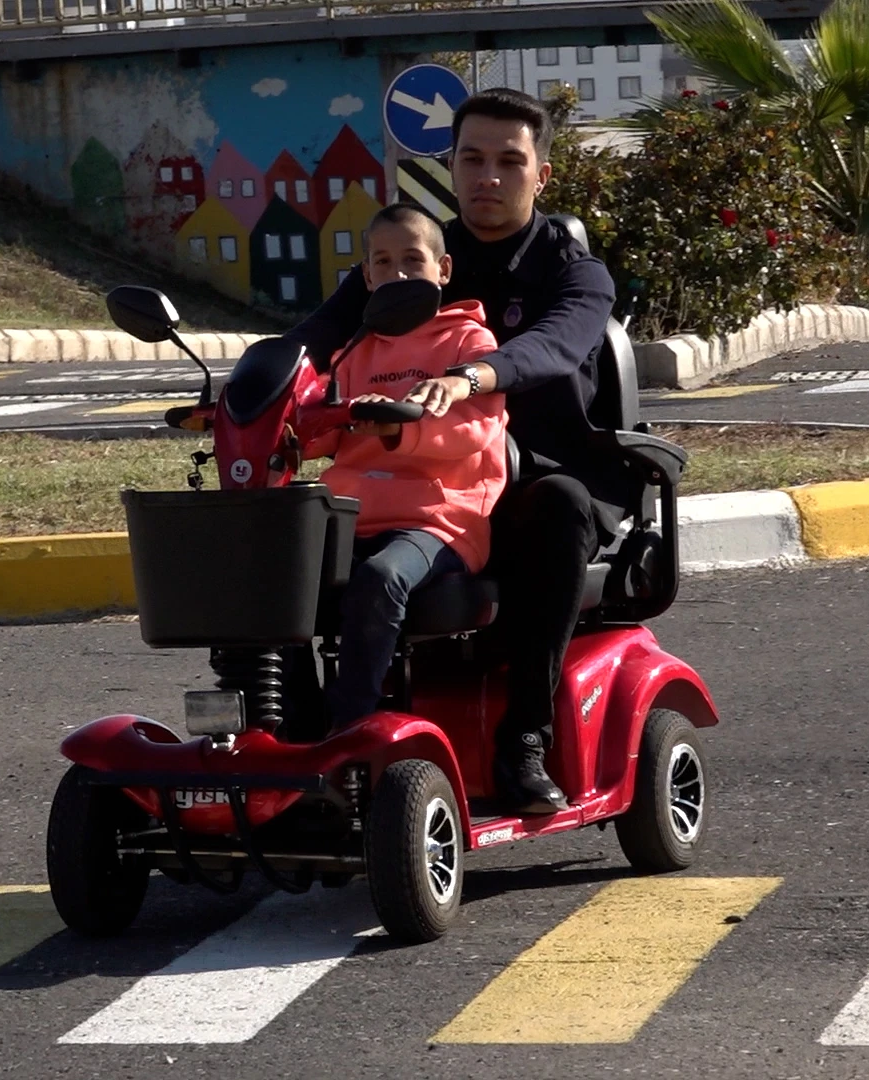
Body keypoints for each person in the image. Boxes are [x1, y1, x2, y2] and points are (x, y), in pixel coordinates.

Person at [282, 87, 619, 814]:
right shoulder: (418, 260)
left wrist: (469, 377)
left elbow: (553, 347)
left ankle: (524, 741)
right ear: (451, 165)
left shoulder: (573, 269)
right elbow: (317, 337)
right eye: (472, 158)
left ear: (540, 175)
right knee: (282, 529)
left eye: (508, 160)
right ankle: (301, 735)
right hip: (414, 479)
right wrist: (248, 388)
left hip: (543, 474)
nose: (487, 176)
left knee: (557, 509)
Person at [301, 204, 509, 737]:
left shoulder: (469, 344)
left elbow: (477, 431)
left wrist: (395, 428)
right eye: (384, 263)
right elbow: (320, 433)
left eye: (412, 261)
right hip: (351, 512)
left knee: (379, 578)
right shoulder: (352, 352)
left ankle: (350, 731)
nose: (397, 275)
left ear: (442, 270)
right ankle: (288, 720)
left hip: (438, 519)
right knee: (275, 573)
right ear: (366, 276)